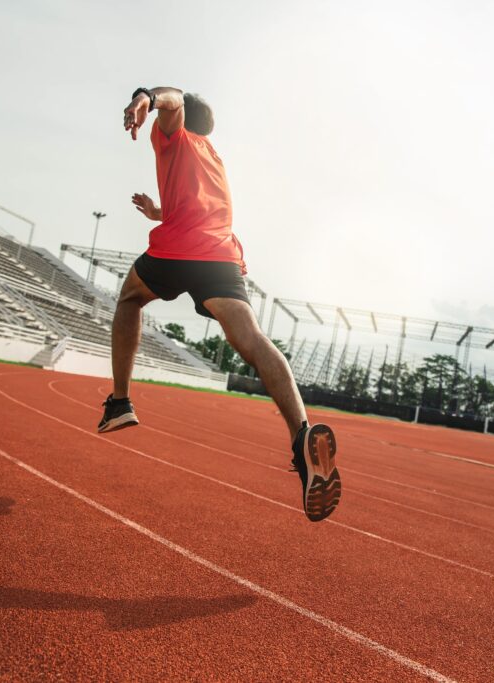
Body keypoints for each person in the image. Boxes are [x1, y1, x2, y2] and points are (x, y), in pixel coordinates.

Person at [98, 86, 341, 522]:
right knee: (251, 338)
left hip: (179, 250)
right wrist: (159, 211)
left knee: (130, 297)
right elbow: (192, 206)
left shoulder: (176, 133)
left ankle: (119, 403)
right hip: (220, 255)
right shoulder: (212, 158)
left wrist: (145, 97)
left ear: (181, 119)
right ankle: (302, 436)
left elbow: (171, 100)